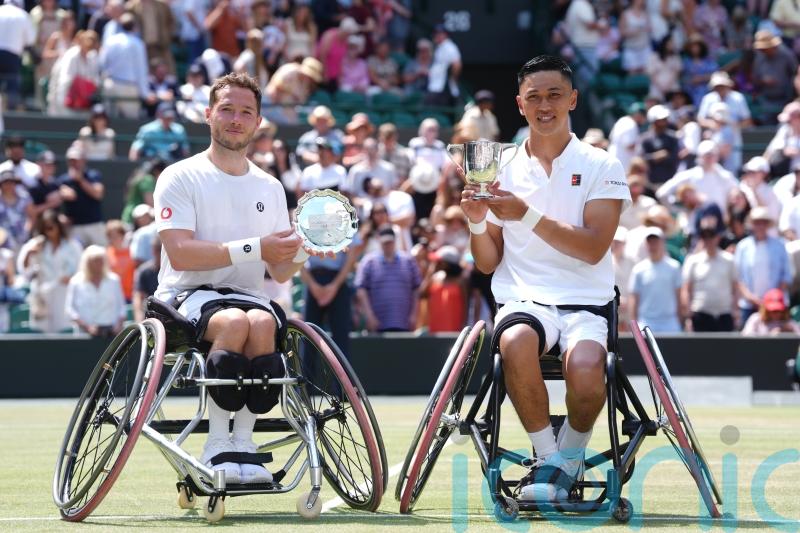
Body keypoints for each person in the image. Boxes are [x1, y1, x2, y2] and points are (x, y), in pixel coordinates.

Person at [460, 55, 631, 502]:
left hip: (586, 302)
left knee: (589, 370)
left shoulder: (603, 165)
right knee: (514, 341)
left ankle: (567, 460)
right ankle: (546, 457)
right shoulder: (499, 166)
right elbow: (485, 261)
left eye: (554, 95)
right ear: (519, 104)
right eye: (533, 97)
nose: (544, 105)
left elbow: (593, 247)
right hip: (523, 300)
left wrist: (525, 214)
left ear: (572, 99)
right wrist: (477, 222)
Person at [153, 72, 318, 485]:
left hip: (247, 296)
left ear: (258, 122)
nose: (235, 119)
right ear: (208, 114)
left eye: (246, 112)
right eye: (226, 109)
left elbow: (279, 270)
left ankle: (243, 445)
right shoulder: (179, 176)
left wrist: (305, 248)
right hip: (185, 293)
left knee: (261, 321)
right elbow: (180, 251)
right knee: (237, 322)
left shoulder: (271, 186)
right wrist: (257, 247)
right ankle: (216, 444)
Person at [17, 209, 82, 332]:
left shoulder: (72, 246)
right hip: (42, 295)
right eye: (46, 228)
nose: (49, 231)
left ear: (58, 226)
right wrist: (29, 254)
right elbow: (24, 271)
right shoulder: (35, 245)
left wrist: (71, 278)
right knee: (41, 329)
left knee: (64, 328)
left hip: (64, 293)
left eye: (51, 227)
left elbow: (81, 269)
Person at [355, 224, 421, 332]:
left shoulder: (409, 261)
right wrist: (369, 316)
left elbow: (416, 290)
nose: (388, 245)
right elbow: (361, 291)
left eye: (390, 242)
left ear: (395, 241)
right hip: (377, 326)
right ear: (379, 241)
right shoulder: (368, 262)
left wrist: (414, 315)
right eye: (385, 242)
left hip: (404, 324)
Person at [734, 207, 793, 326]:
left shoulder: (780, 245)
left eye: (763, 223)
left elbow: (786, 276)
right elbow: (737, 277)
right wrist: (751, 298)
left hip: (776, 307)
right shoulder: (743, 247)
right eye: (756, 223)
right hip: (749, 305)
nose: (760, 226)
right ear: (751, 225)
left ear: (767, 225)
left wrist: (772, 299)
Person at [681, 220, 738, 332]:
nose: (709, 240)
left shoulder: (729, 260)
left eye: (711, 236)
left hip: (724, 315)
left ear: (717, 237)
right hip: (700, 315)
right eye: (705, 237)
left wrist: (735, 312)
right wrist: (688, 317)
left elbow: (735, 289)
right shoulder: (692, 261)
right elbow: (687, 289)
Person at [656, 140, 737, 213]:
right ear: (700, 156)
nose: (710, 158)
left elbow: (738, 194)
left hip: (719, 226)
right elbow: (662, 193)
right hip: (692, 226)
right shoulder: (687, 175)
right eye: (707, 155)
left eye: (713, 154)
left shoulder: (725, 176)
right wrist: (679, 209)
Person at [628, 227, 683, 332]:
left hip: (670, 323)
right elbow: (634, 299)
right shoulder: (638, 269)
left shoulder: (674, 267)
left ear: (663, 243)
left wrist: (679, 321)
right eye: (650, 242)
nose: (652, 245)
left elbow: (679, 297)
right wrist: (634, 327)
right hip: (645, 323)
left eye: (655, 242)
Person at [65, 244, 127, 337]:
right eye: (96, 261)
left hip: (111, 334)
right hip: (84, 334)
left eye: (101, 260)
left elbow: (122, 308)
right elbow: (70, 310)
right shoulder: (76, 282)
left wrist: (118, 326)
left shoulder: (114, 280)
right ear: (87, 262)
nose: (99, 264)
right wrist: (87, 327)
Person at [56, 144, 106, 247]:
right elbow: (63, 197)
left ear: (83, 160)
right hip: (75, 227)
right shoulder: (63, 180)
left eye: (76, 160)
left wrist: (80, 180)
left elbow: (98, 194)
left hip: (94, 224)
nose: (74, 163)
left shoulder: (93, 175)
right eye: (71, 160)